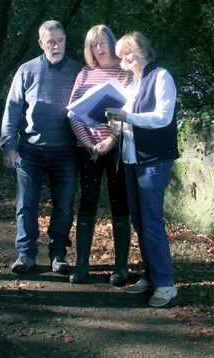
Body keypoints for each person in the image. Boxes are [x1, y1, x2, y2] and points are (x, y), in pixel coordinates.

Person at [0, 20, 82, 274]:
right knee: (27, 205)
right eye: (51, 42)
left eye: (61, 40)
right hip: (30, 150)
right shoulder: (27, 70)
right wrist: (8, 145)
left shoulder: (79, 71)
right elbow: (12, 108)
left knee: (64, 205)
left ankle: (59, 254)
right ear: (41, 43)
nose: (57, 46)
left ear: (65, 40)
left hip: (66, 150)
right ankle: (25, 255)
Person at [107, 31, 179, 307]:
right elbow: (127, 123)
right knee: (139, 222)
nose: (124, 59)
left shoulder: (161, 76)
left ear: (142, 49)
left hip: (154, 160)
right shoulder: (133, 85)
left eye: (128, 52)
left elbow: (162, 118)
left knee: (151, 222)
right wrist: (114, 121)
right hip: (130, 161)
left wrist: (128, 116)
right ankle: (150, 276)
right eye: (121, 55)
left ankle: (165, 285)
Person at [68, 25, 134, 286]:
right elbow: (72, 112)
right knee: (88, 201)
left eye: (103, 42)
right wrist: (86, 143)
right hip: (89, 152)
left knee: (121, 202)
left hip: (117, 148)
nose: (99, 48)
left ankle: (121, 266)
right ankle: (82, 264)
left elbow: (130, 111)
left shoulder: (126, 72)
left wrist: (111, 139)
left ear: (111, 42)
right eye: (93, 44)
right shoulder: (85, 73)